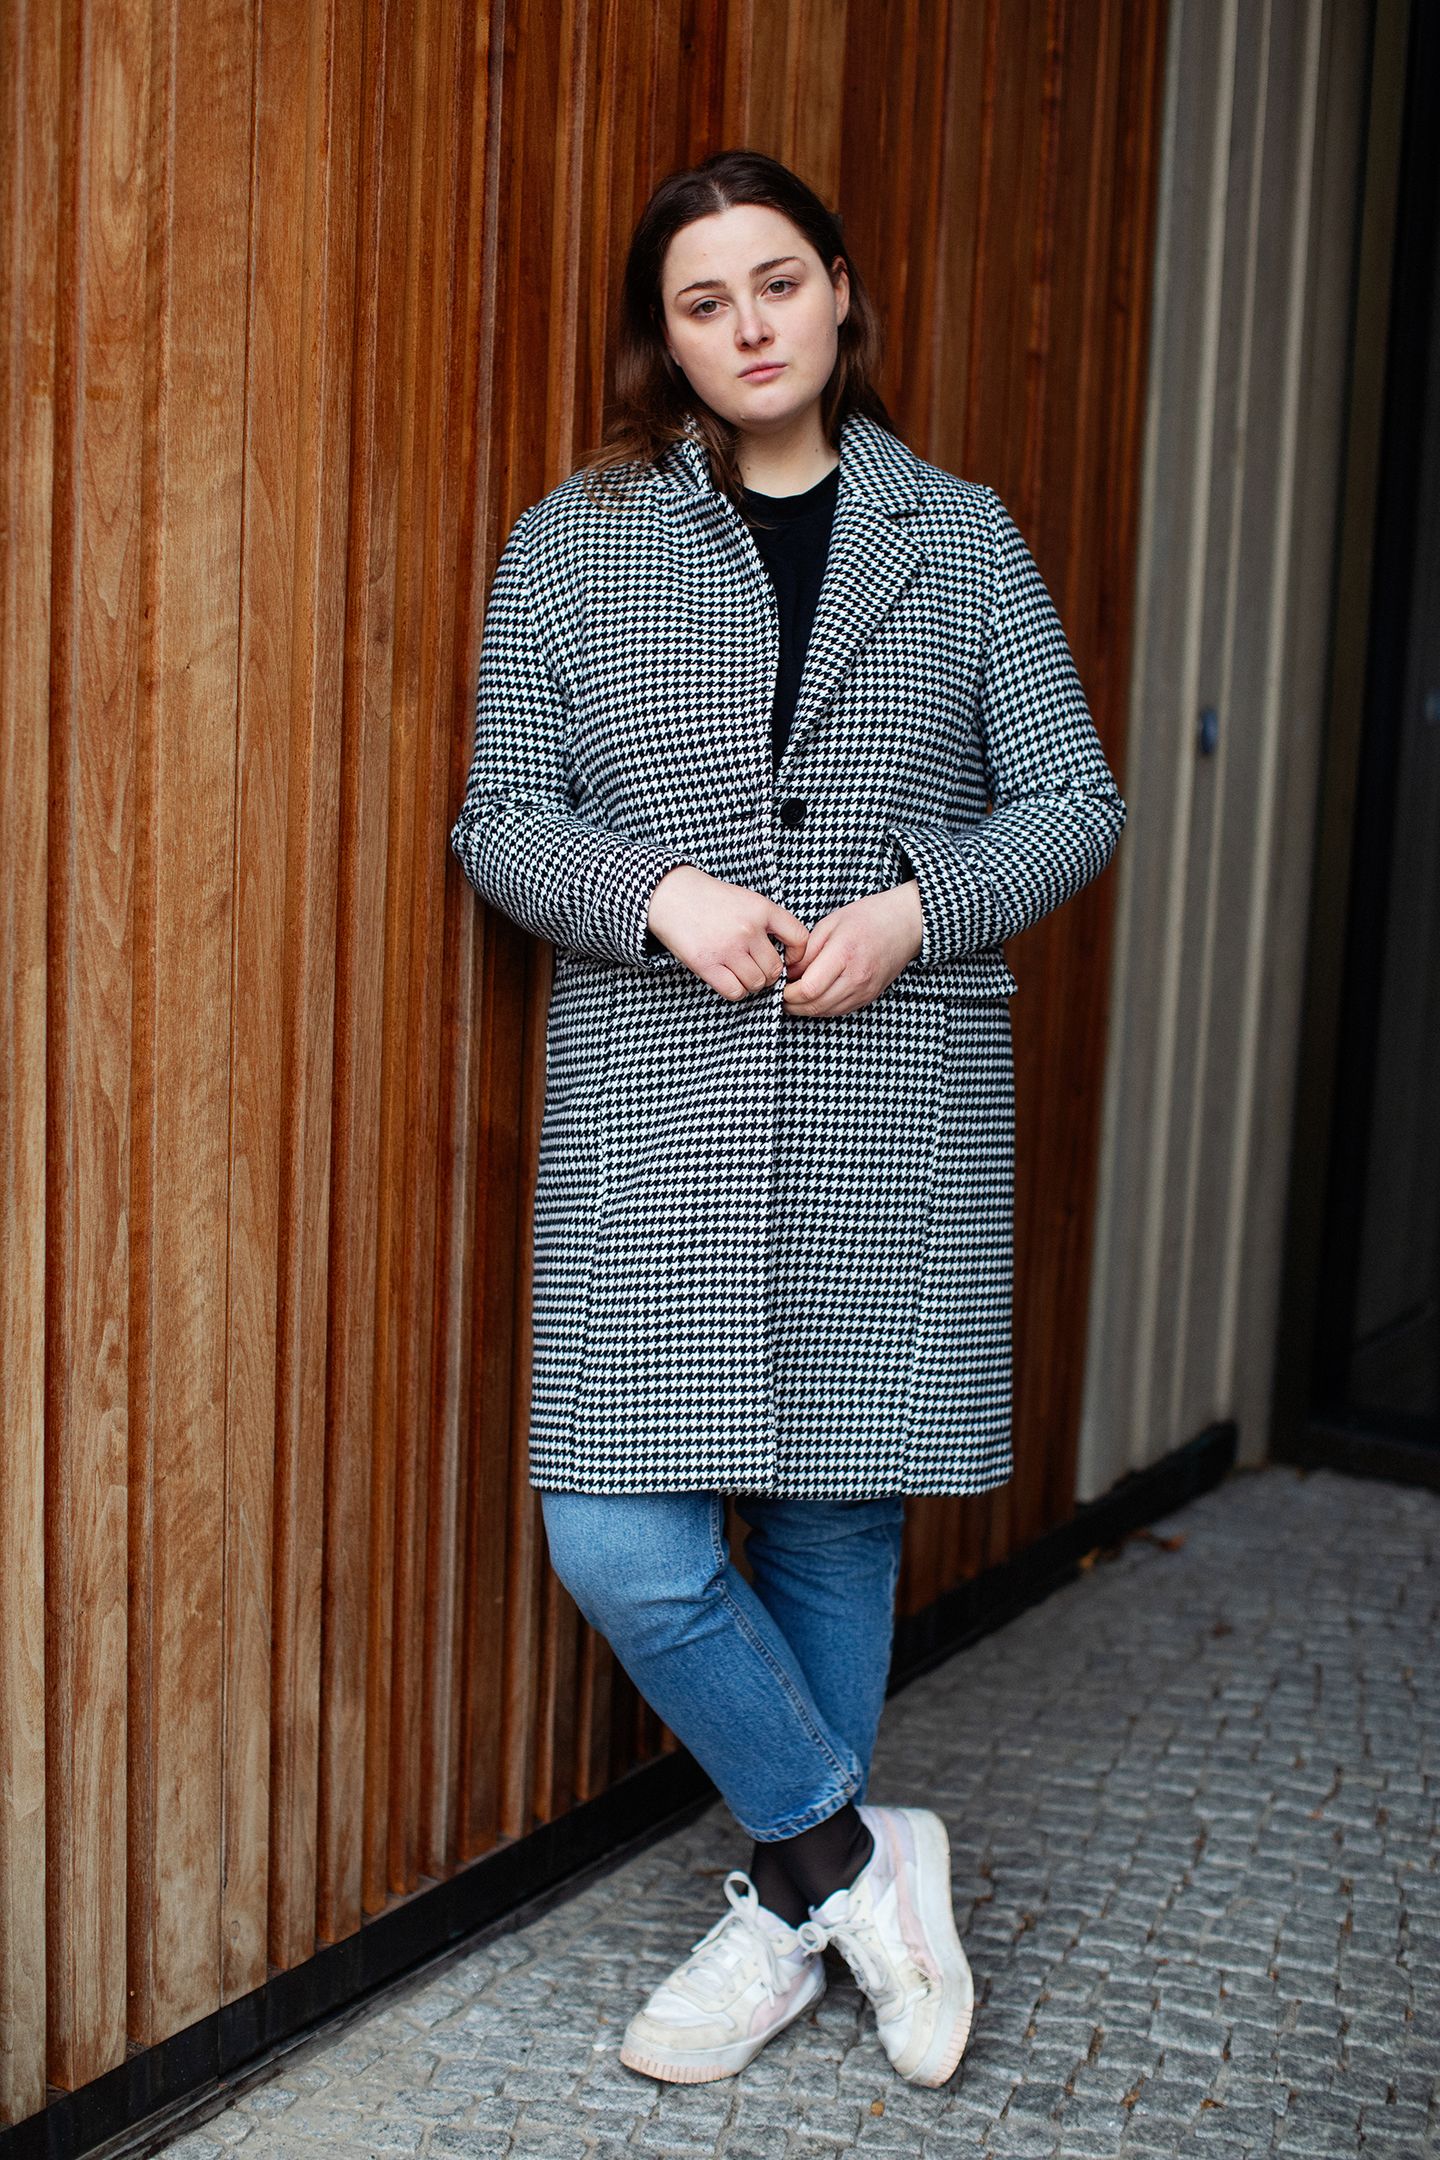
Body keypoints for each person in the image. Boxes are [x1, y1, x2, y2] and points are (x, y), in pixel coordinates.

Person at [449, 149, 1127, 2090]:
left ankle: (778, 1918)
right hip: (658, 1100)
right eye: (702, 302)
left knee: (835, 1510)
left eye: (776, 282)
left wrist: (919, 904)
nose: (748, 326)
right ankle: (848, 1854)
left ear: (839, 292)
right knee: (620, 1535)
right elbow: (504, 816)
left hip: (885, 1093)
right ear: (663, 341)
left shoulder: (959, 535)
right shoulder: (574, 542)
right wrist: (654, 890)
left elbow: (1073, 804)